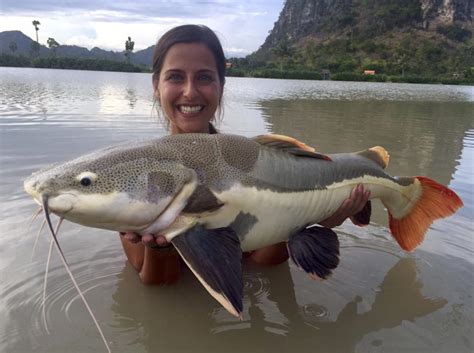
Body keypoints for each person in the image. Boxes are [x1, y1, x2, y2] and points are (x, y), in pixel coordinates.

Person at [119, 24, 370, 285]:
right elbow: (153, 284)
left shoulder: (251, 164)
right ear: (156, 86)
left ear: (221, 86)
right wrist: (160, 248)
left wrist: (313, 217)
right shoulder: (141, 179)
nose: (190, 91)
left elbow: (262, 266)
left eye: (204, 77)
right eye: (175, 77)